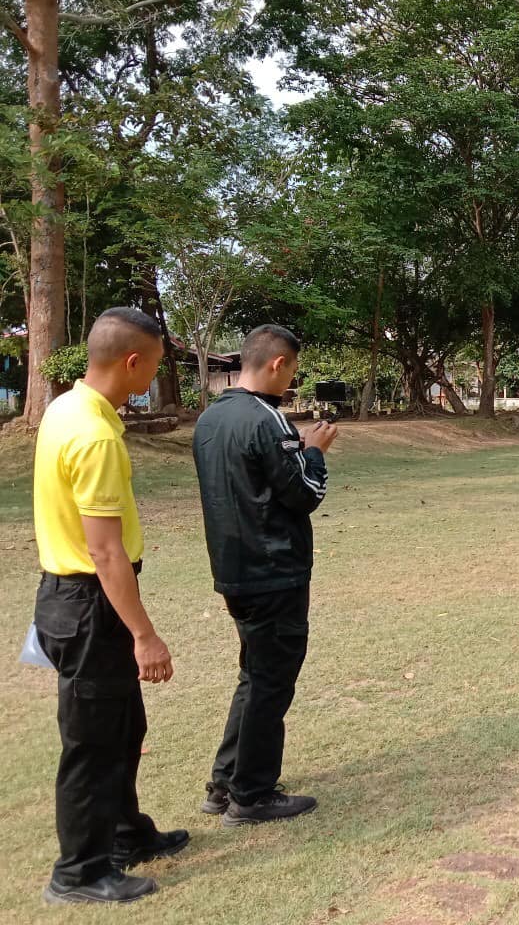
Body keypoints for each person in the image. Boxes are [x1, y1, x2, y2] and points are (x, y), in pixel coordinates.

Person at [31, 308, 187, 905]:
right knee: (92, 741)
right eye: (155, 361)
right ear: (133, 362)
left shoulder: (67, 407)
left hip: (78, 597)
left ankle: (125, 834)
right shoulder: (93, 433)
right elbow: (105, 551)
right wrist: (144, 635)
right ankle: (79, 871)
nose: (155, 371)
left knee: (123, 726)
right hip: (90, 600)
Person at [192, 324, 337, 826]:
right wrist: (314, 451)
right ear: (277, 364)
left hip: (234, 569)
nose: (292, 380)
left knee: (254, 676)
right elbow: (304, 495)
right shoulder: (267, 419)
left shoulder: (211, 419)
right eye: (292, 369)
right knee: (271, 682)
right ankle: (251, 795)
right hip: (274, 571)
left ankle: (226, 781)